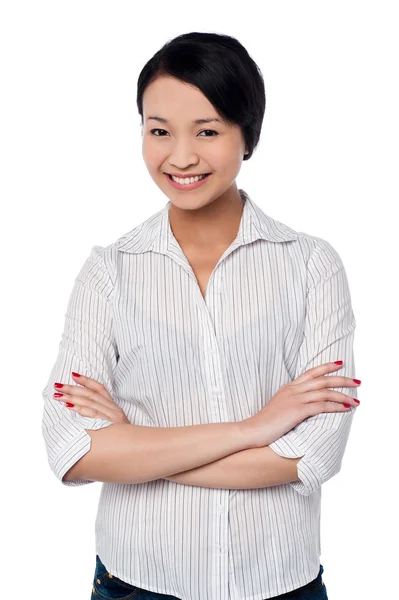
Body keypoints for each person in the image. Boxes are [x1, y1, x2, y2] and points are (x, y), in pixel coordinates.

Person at [41, 31, 360, 600]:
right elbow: (72, 451)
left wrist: (133, 446)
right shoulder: (109, 272)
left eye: (207, 131)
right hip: (137, 585)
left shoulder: (311, 266)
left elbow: (314, 453)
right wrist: (251, 431)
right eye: (159, 130)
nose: (180, 156)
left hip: (280, 585)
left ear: (248, 135)